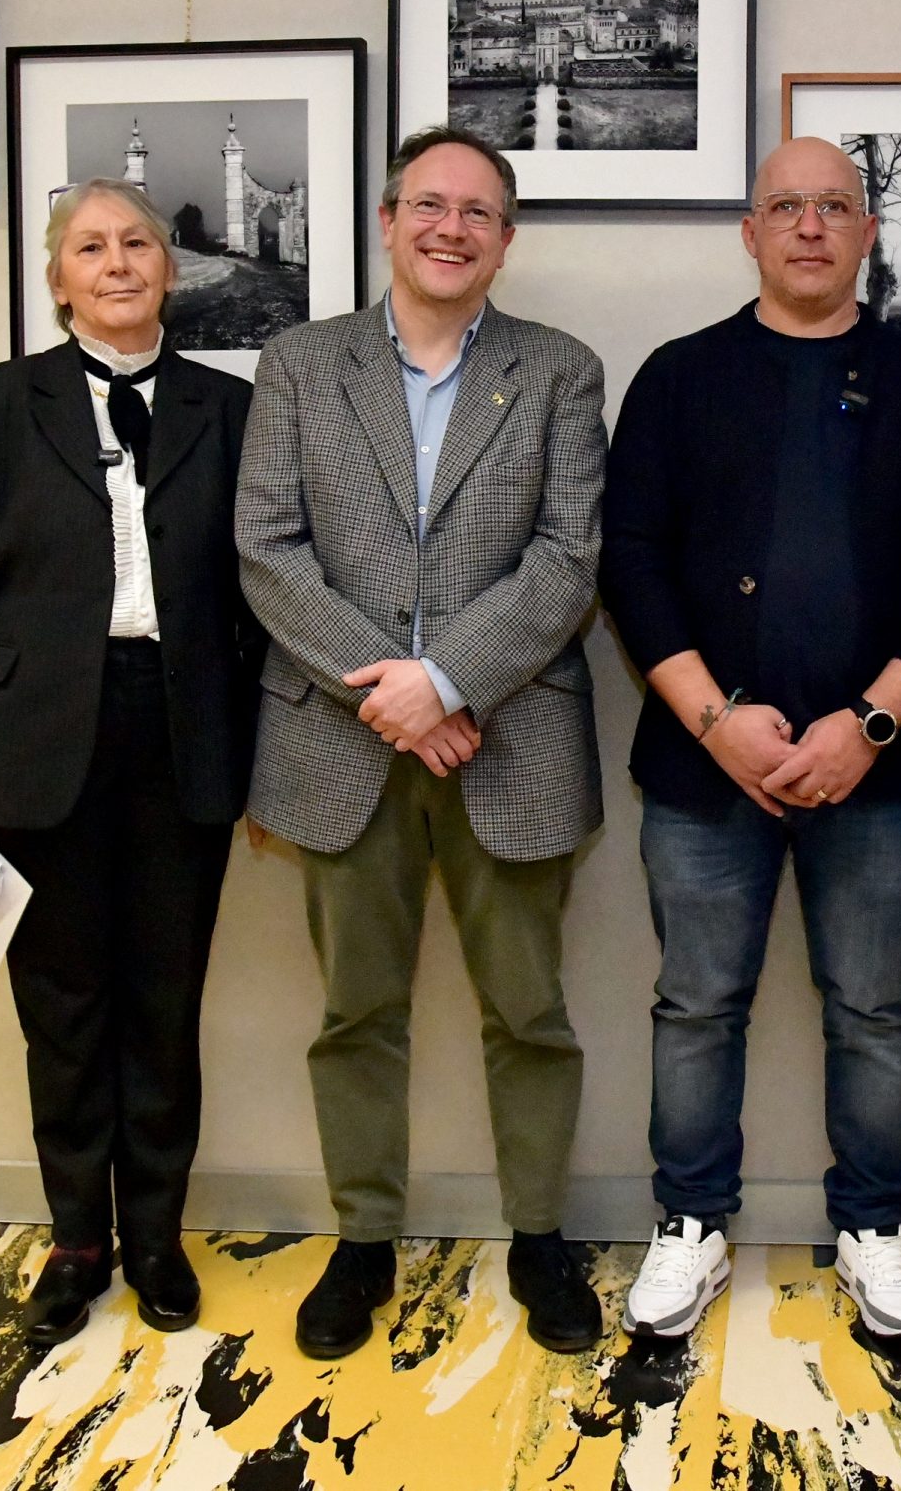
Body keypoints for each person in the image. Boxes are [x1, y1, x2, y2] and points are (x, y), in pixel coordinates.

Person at [598, 138, 901, 1342]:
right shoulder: (677, 377)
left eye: (834, 206)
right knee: (694, 1005)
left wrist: (869, 721)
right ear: (750, 232)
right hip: (701, 764)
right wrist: (714, 719)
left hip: (873, 769)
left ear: (865, 233)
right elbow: (633, 564)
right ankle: (689, 1223)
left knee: (872, 1004)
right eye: (786, 205)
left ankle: (874, 1222)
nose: (811, 226)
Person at [236, 127, 607, 1360]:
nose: (451, 228)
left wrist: (447, 679)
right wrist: (386, 694)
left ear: (507, 238)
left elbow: (567, 560)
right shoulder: (298, 363)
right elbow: (268, 550)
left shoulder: (560, 370)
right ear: (389, 220)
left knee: (531, 1013)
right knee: (356, 1013)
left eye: (479, 212)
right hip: (338, 751)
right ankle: (362, 1240)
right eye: (429, 205)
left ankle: (541, 1236)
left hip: (512, 744)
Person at [0, 178, 264, 1347]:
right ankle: (77, 1237)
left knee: (164, 998)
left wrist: (267, 763)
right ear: (57, 278)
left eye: (139, 242)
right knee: (63, 1006)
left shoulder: (232, 405)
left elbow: (262, 592)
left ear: (173, 266)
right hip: (33, 742)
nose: (116, 262)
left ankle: (155, 1236)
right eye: (90, 247)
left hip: (184, 729)